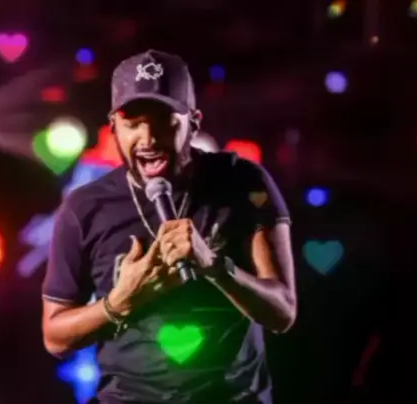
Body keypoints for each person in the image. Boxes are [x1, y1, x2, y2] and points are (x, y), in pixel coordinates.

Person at [42, 49, 297, 404]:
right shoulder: (84, 207)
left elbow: (282, 313)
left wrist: (215, 267)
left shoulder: (243, 182)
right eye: (133, 123)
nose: (148, 137)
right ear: (113, 126)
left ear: (193, 122)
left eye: (165, 120)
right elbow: (55, 337)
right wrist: (119, 302)